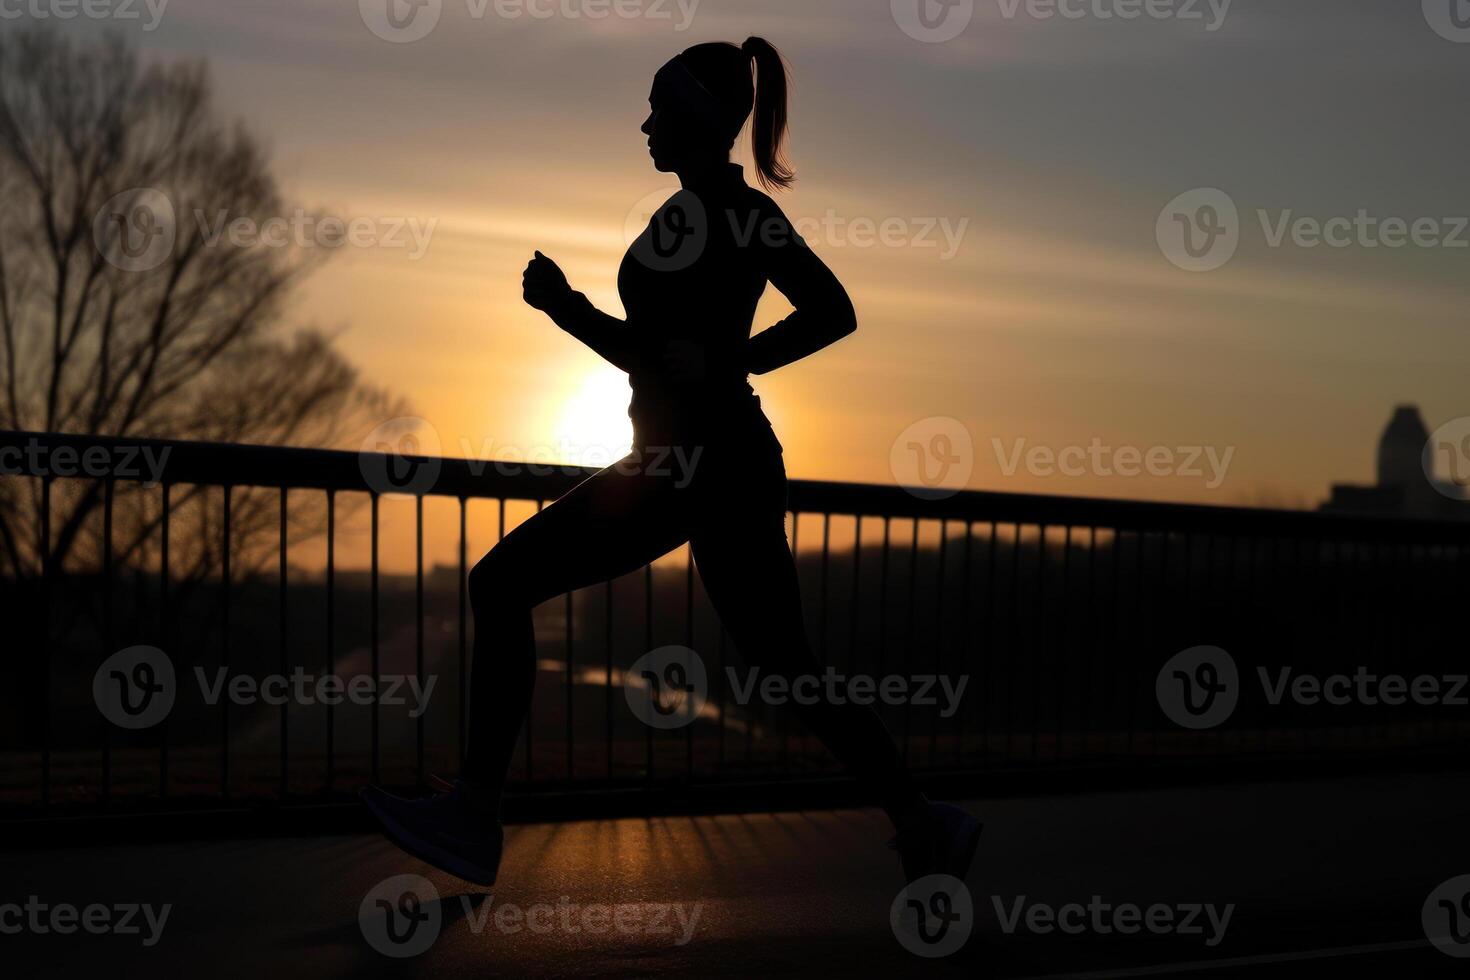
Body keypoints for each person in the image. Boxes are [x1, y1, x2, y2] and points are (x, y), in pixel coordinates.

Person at [362, 37, 980, 890]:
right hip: (696, 464)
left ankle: (474, 814)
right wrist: (572, 311)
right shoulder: (687, 216)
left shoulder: (737, 214)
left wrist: (730, 362)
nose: (645, 123)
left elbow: (831, 311)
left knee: (499, 584)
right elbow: (653, 356)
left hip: (700, 464)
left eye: (659, 107)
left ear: (695, 116)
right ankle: (922, 821)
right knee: (783, 664)